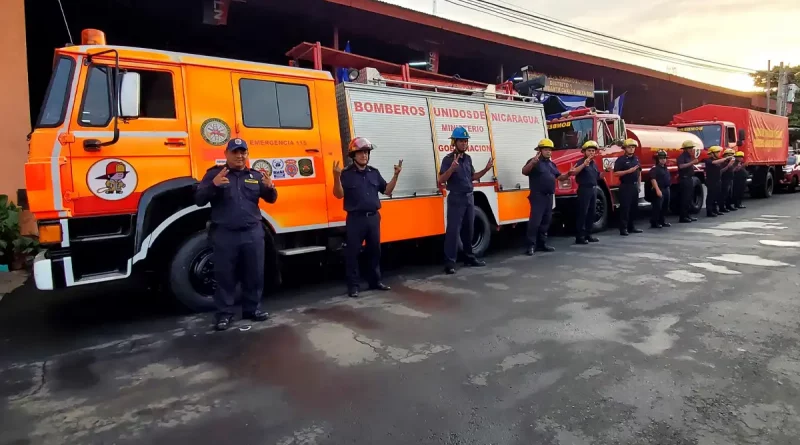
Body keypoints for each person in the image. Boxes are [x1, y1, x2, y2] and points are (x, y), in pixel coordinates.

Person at [195, 138, 278, 331]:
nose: (240, 156)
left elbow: (271, 199)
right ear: (226, 154)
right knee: (225, 276)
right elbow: (198, 199)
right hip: (225, 234)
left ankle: (252, 309)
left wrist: (271, 188)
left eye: (243, 152)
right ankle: (224, 314)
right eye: (235, 152)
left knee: (255, 274)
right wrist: (213, 185)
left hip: (252, 233)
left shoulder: (255, 175)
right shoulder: (214, 174)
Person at [333, 137, 402, 298]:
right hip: (355, 219)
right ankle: (353, 286)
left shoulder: (374, 173)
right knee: (353, 253)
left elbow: (387, 191)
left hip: (373, 218)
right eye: (360, 152)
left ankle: (375, 281)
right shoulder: (346, 174)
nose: (364, 155)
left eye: (366, 152)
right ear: (353, 155)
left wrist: (396, 176)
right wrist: (336, 177)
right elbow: (338, 195)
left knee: (374, 251)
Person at [438, 126, 494, 274]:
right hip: (456, 198)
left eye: (465, 141)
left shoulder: (468, 159)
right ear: (454, 142)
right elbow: (441, 180)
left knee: (469, 230)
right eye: (461, 141)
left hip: (469, 198)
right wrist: (451, 169)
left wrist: (486, 170)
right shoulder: (448, 159)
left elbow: (472, 177)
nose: (464, 143)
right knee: (453, 231)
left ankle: (469, 257)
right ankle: (449, 263)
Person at [521, 138, 572, 255]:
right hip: (538, 196)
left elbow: (559, 177)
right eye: (546, 149)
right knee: (535, 222)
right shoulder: (534, 161)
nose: (549, 152)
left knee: (546, 222)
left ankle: (542, 244)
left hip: (549, 197)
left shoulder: (551, 164)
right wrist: (533, 162)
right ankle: (531, 246)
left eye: (550, 150)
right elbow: (524, 171)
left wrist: (569, 173)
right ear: (539, 150)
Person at [572, 140, 601, 244]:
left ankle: (588, 234)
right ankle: (580, 237)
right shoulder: (581, 162)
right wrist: (584, 164)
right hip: (584, 189)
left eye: (593, 151)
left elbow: (597, 176)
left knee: (591, 213)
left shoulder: (594, 164)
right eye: (589, 150)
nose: (592, 152)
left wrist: (606, 171)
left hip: (593, 189)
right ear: (584, 152)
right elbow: (574, 172)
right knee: (582, 213)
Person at [613, 138, 643, 236]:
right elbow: (616, 173)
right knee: (625, 208)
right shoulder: (620, 160)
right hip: (625, 186)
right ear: (625, 148)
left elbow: (639, 172)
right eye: (629, 147)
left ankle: (632, 227)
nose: (631, 149)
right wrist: (628, 171)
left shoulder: (636, 159)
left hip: (634, 186)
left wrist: (639, 185)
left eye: (633, 147)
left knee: (634, 208)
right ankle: (623, 228)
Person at [703, 146, 734, 217]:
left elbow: (721, 169)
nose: (718, 153)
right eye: (717, 152)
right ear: (712, 153)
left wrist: (729, 163)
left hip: (718, 180)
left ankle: (715, 210)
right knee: (711, 196)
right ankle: (709, 211)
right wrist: (726, 158)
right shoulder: (708, 160)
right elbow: (714, 162)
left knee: (716, 196)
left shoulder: (719, 160)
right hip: (711, 181)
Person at [676, 140, 700, 223]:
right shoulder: (682, 157)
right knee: (684, 199)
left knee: (689, 198)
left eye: (691, 148)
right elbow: (681, 166)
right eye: (689, 148)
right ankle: (683, 217)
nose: (691, 149)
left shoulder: (689, 156)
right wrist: (692, 162)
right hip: (684, 179)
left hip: (689, 179)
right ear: (685, 149)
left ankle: (688, 215)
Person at [649, 150, 672, 229]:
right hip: (659, 189)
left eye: (664, 158)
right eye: (661, 158)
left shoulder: (665, 168)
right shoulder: (654, 169)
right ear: (657, 159)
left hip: (666, 189)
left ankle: (662, 221)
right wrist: (657, 190)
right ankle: (654, 222)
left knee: (665, 206)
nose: (663, 159)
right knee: (657, 206)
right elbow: (653, 179)